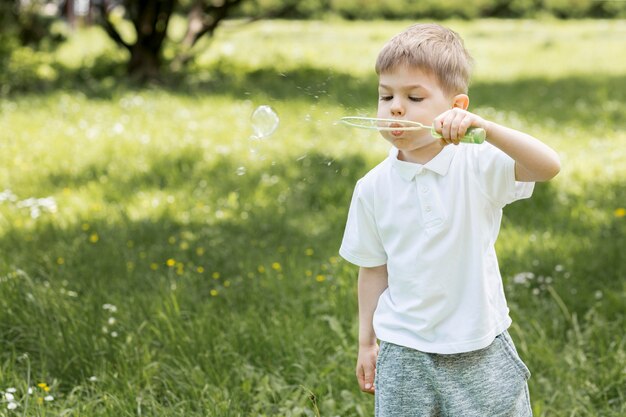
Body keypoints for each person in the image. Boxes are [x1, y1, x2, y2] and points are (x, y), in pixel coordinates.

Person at [339, 23, 560, 416]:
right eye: (385, 95)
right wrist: (366, 343)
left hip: (479, 345)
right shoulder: (372, 187)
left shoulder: (477, 165)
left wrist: (487, 130)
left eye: (414, 96)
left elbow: (547, 166)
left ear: (457, 108)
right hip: (404, 351)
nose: (395, 107)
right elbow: (373, 269)